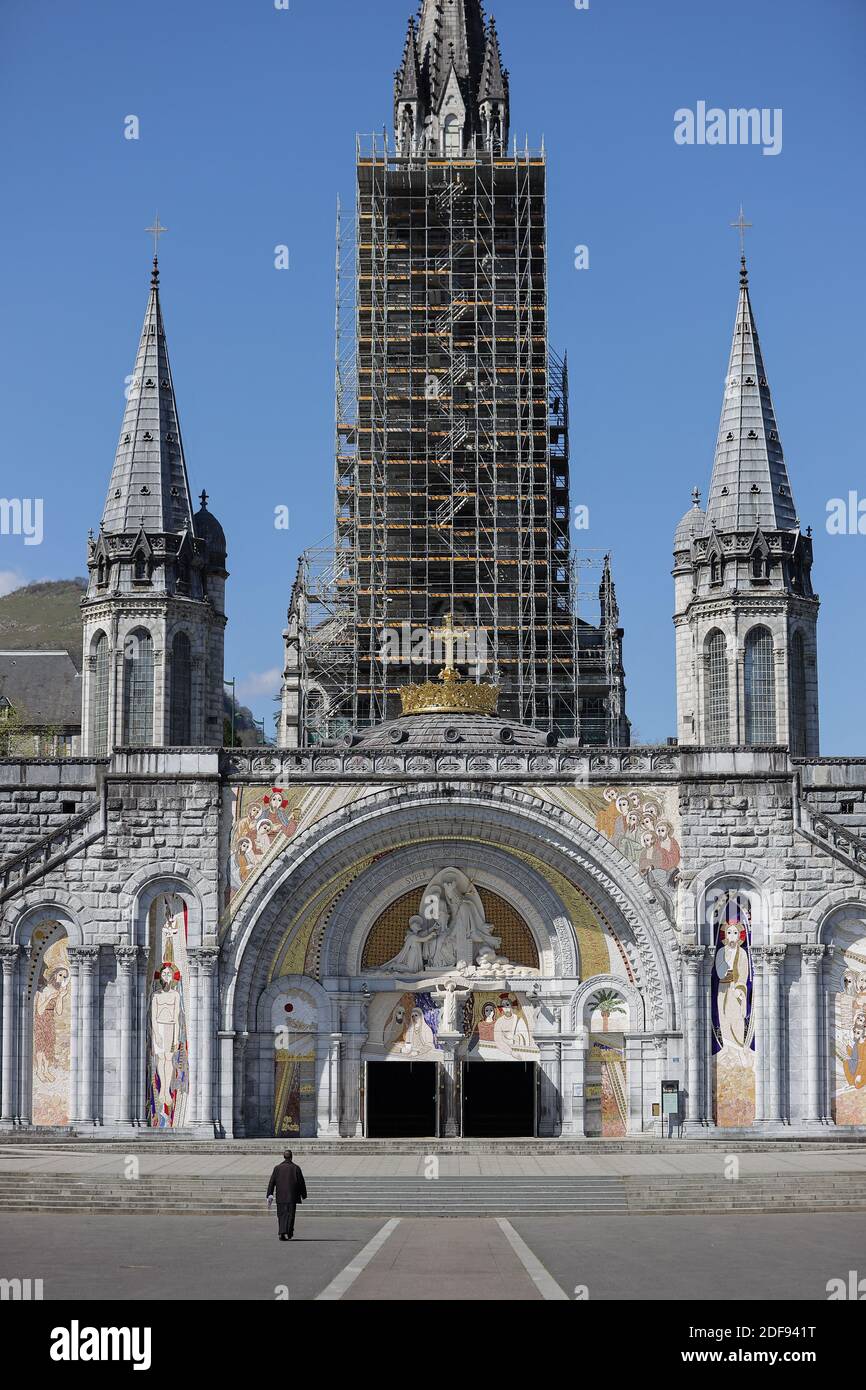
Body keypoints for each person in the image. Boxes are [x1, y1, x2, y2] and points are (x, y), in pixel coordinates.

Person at [266, 1149, 308, 1241]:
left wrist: (269, 1194)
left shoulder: (277, 1168)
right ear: (291, 1157)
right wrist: (304, 1194)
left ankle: (282, 1232)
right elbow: (301, 1182)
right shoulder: (296, 1168)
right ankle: (289, 1232)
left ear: (284, 1157)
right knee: (290, 1215)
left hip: (280, 1196)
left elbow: (272, 1182)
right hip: (292, 1196)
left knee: (281, 1215)